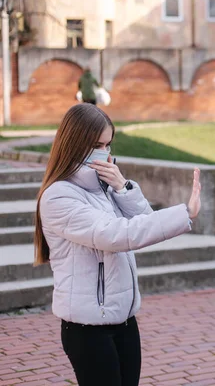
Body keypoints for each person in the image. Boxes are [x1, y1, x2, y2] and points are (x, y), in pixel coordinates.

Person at [34, 103, 202, 386]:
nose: (104, 152)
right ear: (74, 143)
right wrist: (185, 212)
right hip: (87, 328)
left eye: (108, 144)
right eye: (96, 144)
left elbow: (145, 222)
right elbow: (116, 235)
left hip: (124, 320)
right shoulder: (59, 197)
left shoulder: (105, 187)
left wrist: (123, 187)